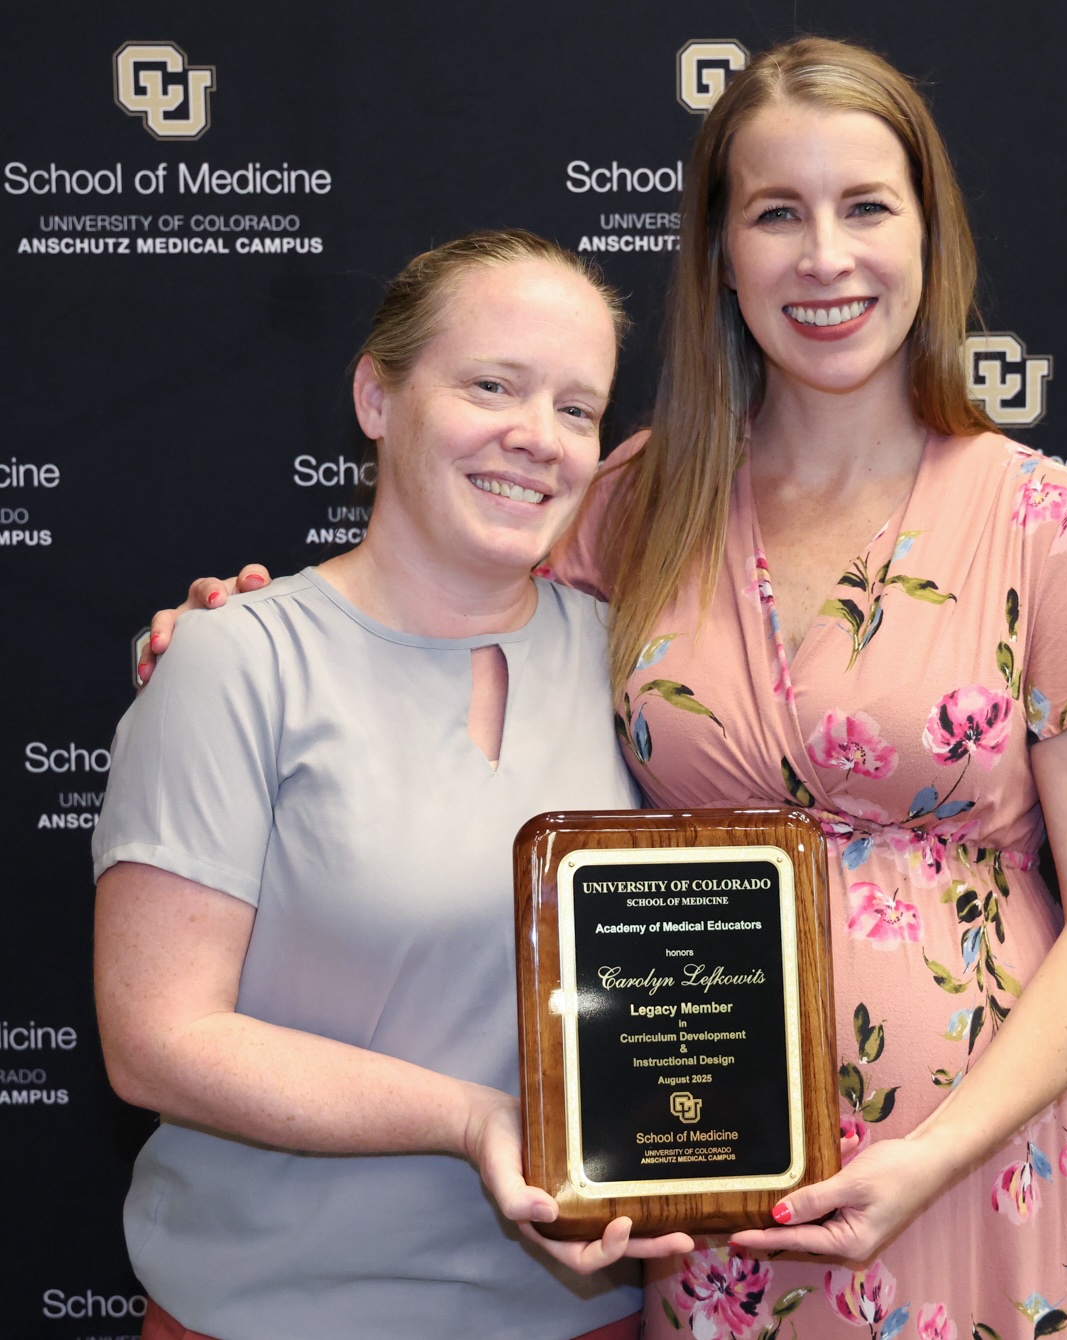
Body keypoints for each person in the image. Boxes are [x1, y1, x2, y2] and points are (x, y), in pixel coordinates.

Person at [143, 37, 1067, 1340]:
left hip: (986, 1175)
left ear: (932, 235)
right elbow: (422, 603)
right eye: (775, 213)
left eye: (867, 206)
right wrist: (234, 630)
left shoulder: (1054, 524)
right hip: (709, 1186)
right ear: (718, 253)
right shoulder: (632, 504)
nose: (824, 256)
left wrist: (934, 1158)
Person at [94, 230, 693, 1340]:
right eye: (491, 385)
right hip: (273, 1316)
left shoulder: (638, 668)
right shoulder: (239, 659)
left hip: (576, 1318)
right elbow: (154, 1037)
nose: (537, 438)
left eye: (576, 407)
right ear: (377, 395)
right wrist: (475, 1120)